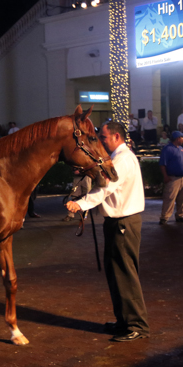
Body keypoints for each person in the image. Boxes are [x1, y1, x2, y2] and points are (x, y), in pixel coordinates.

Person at [66, 121, 149, 342]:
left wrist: (80, 204)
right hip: (119, 222)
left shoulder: (121, 160)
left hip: (123, 222)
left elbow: (106, 188)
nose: (101, 141)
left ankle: (137, 326)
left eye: (103, 137)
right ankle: (124, 321)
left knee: (124, 274)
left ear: (116, 137)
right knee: (116, 274)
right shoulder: (121, 157)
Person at [158, 131, 183, 225]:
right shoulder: (167, 149)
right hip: (173, 178)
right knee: (169, 198)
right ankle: (164, 217)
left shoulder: (181, 148)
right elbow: (162, 164)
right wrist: (165, 176)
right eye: (182, 137)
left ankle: (180, 215)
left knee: (182, 198)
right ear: (177, 138)